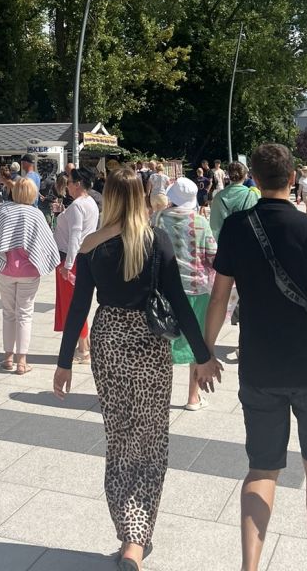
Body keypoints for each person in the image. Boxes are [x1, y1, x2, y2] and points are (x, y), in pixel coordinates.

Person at [202, 142, 307, 571]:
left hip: (258, 366)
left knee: (262, 469)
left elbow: (219, 298)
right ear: (293, 179)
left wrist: (205, 353)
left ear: (253, 178)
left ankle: (250, 567)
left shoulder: (236, 227)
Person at [53, 169, 221, 571]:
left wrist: (63, 363)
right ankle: (136, 537)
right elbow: (179, 302)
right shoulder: (156, 240)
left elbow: (79, 307)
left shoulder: (93, 245)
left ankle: (128, 529)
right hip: (149, 345)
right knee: (150, 441)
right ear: (143, 196)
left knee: (119, 439)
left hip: (109, 341)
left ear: (109, 197)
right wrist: (202, 355)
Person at [0, 176, 61, 375]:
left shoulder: (5, 211)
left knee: (8, 313)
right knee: (25, 314)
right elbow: (47, 242)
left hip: (6, 269)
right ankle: (22, 362)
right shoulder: (35, 215)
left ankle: (8, 357)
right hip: (29, 271)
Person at [155, 177, 217, 410]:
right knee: (196, 341)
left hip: (164, 291)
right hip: (196, 289)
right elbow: (212, 255)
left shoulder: (157, 220)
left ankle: (160, 395)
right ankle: (193, 397)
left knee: (162, 342)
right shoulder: (200, 222)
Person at [53, 167, 99, 364]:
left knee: (73, 305)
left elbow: (75, 237)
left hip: (72, 260)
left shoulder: (78, 205)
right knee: (77, 302)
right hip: (82, 257)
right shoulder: (90, 203)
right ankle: (84, 344)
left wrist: (68, 265)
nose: (68, 186)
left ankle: (83, 348)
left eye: (70, 182)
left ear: (78, 184)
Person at [210, 161, 258, 239]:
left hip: (227, 242)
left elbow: (214, 226)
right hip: (248, 240)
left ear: (228, 175)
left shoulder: (218, 197)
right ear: (245, 175)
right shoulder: (252, 195)